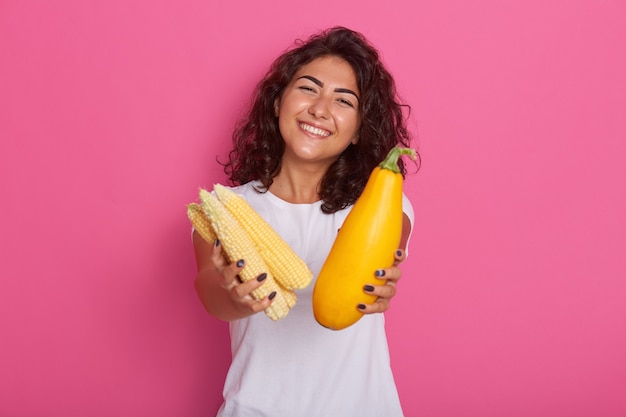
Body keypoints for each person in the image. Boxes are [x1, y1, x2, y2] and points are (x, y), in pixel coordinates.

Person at [192, 26, 418, 417]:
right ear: (278, 103)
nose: (320, 109)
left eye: (343, 100)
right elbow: (209, 291)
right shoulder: (225, 210)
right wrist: (236, 296)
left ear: (357, 132)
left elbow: (374, 271)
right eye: (309, 88)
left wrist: (379, 289)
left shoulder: (381, 207)